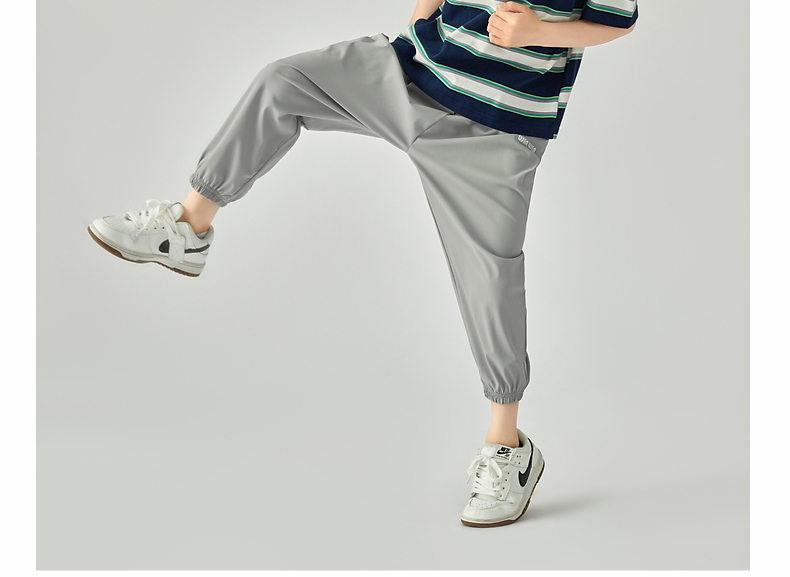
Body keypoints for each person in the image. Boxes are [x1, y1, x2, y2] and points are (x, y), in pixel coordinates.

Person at [87, 0, 638, 528]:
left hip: (497, 130)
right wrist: (419, 27)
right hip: (412, 74)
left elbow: (617, 21)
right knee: (283, 81)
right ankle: (189, 227)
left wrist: (539, 33)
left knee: (490, 279)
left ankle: (507, 446)